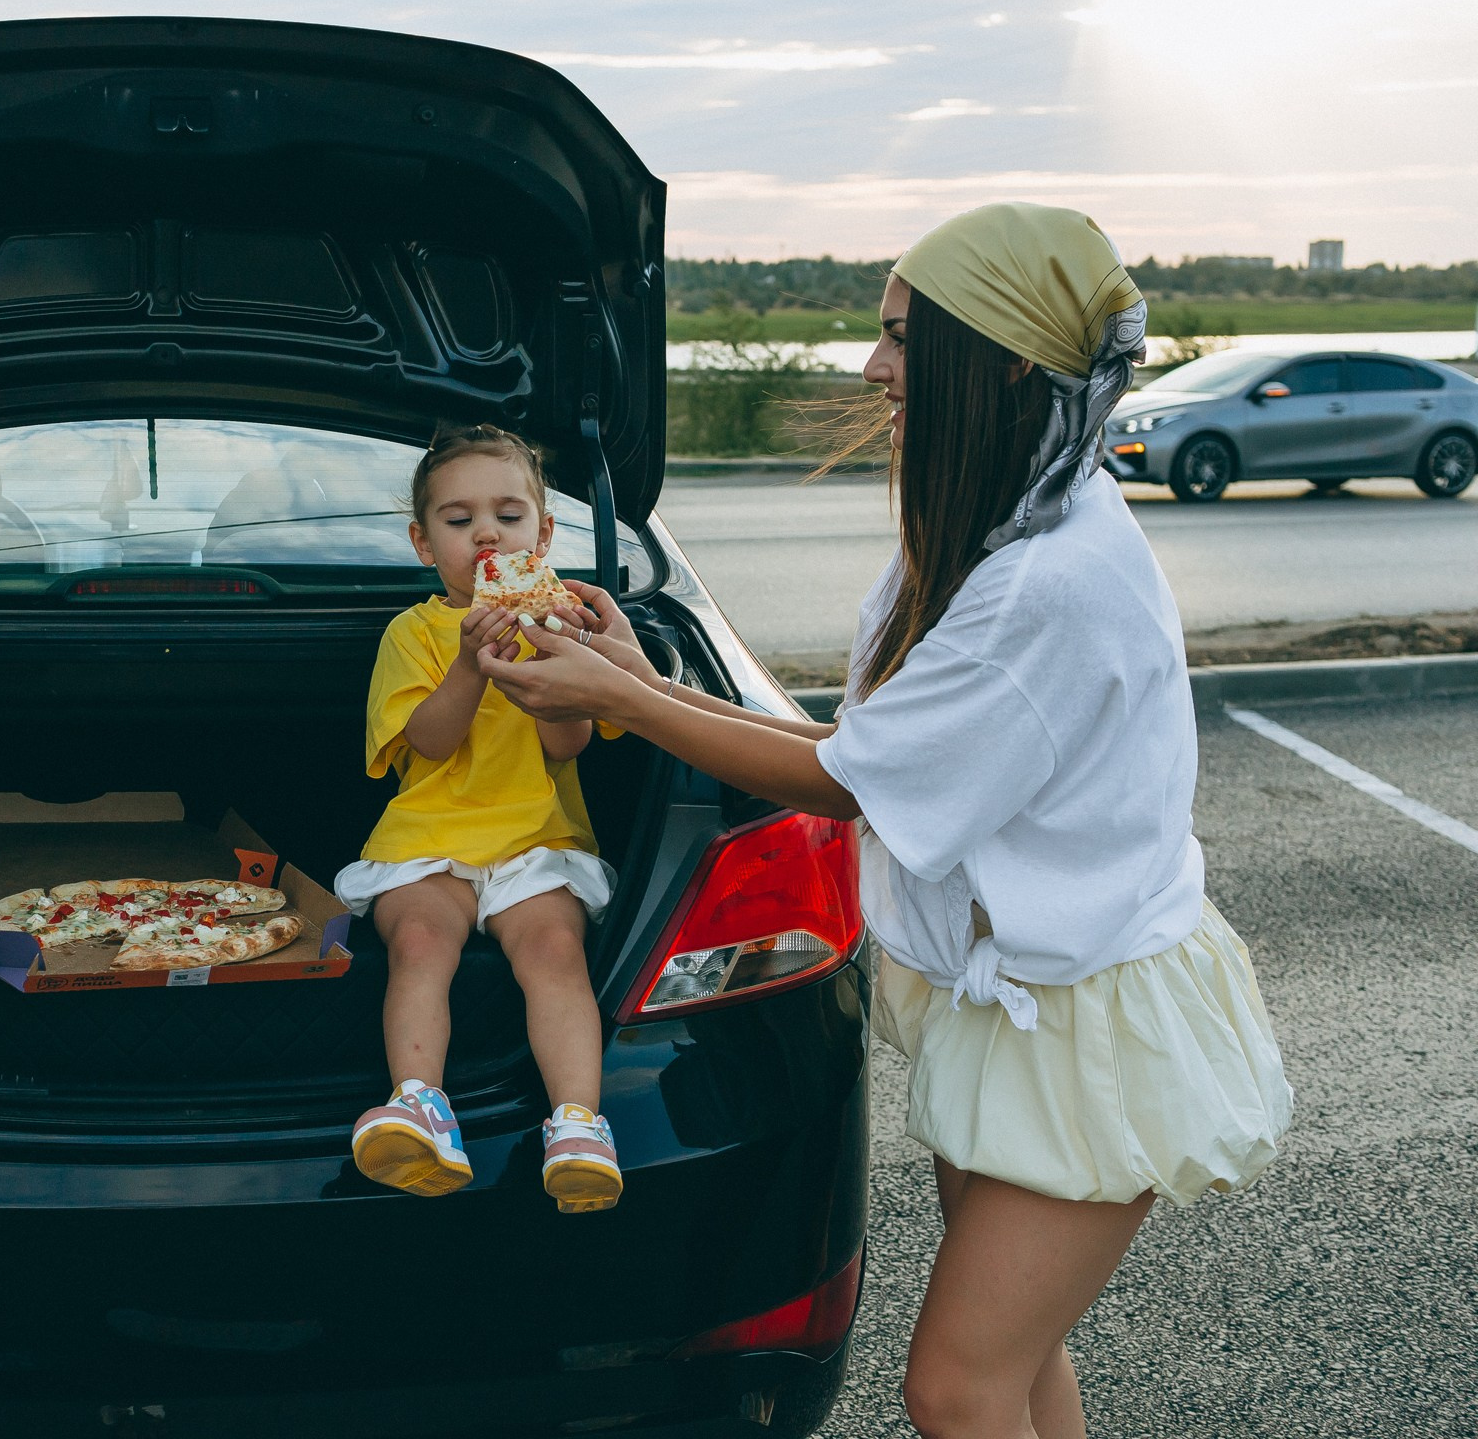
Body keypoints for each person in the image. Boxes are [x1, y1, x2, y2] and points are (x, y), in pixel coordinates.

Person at [476, 203, 1291, 1438]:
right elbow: (871, 748)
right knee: (1016, 1365)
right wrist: (638, 679)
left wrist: (622, 701)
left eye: (904, 337)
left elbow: (850, 782)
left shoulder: (1041, 583)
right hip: (1025, 999)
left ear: (1001, 359)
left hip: (1089, 1020)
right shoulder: (1008, 521)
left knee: (958, 1387)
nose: (872, 367)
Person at [334, 425, 624, 1214]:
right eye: (459, 522)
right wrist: (471, 662)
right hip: (429, 839)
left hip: (536, 840)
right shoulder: (414, 632)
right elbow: (429, 741)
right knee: (419, 942)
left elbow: (568, 745)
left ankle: (578, 1123)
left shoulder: (565, 626)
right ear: (424, 544)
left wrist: (549, 651)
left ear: (545, 535)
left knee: (555, 950)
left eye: (509, 516)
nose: (487, 535)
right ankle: (419, 1103)